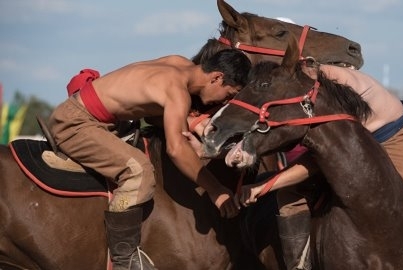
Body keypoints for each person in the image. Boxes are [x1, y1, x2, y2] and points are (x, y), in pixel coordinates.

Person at [47, 49, 251, 270]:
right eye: (229, 94)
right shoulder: (177, 91)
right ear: (217, 78)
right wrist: (215, 190)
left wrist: (193, 121)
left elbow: (151, 111)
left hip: (97, 119)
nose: (226, 100)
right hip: (76, 123)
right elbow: (176, 149)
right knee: (139, 170)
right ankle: (124, 259)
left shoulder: (178, 62)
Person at [235, 64, 403, 270]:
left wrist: (265, 186)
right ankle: (299, 264)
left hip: (390, 135)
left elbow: (321, 158)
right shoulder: (296, 98)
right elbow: (319, 158)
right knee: (290, 196)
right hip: (339, 152)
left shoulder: (325, 83)